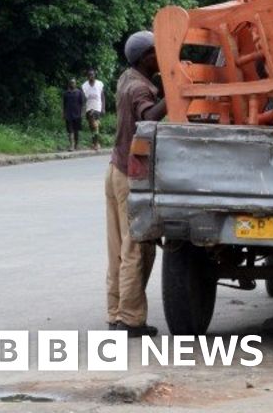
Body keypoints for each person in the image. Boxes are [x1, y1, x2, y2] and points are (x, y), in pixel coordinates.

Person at [105, 31, 166, 337]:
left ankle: (115, 312)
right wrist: (174, 93)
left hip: (116, 169)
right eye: (157, 52)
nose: (161, 56)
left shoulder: (127, 77)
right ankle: (130, 320)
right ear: (145, 58)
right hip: (130, 174)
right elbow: (148, 117)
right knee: (137, 249)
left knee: (117, 246)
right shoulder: (141, 88)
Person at [82, 68, 106, 151]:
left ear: (94, 75)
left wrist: (103, 107)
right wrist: (83, 109)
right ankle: (95, 143)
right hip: (89, 107)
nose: (90, 76)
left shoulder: (99, 84)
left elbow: (102, 96)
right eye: (89, 75)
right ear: (87, 76)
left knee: (94, 125)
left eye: (92, 74)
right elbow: (84, 99)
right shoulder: (84, 85)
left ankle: (96, 144)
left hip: (97, 107)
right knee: (91, 127)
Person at [62, 78, 84, 151]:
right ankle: (71, 145)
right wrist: (63, 113)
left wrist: (82, 113)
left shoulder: (79, 92)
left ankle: (77, 145)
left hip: (77, 114)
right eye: (71, 82)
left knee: (76, 130)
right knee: (70, 131)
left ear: (75, 84)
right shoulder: (66, 93)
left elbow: (82, 104)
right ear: (69, 84)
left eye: (73, 83)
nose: (72, 84)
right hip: (68, 114)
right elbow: (64, 104)